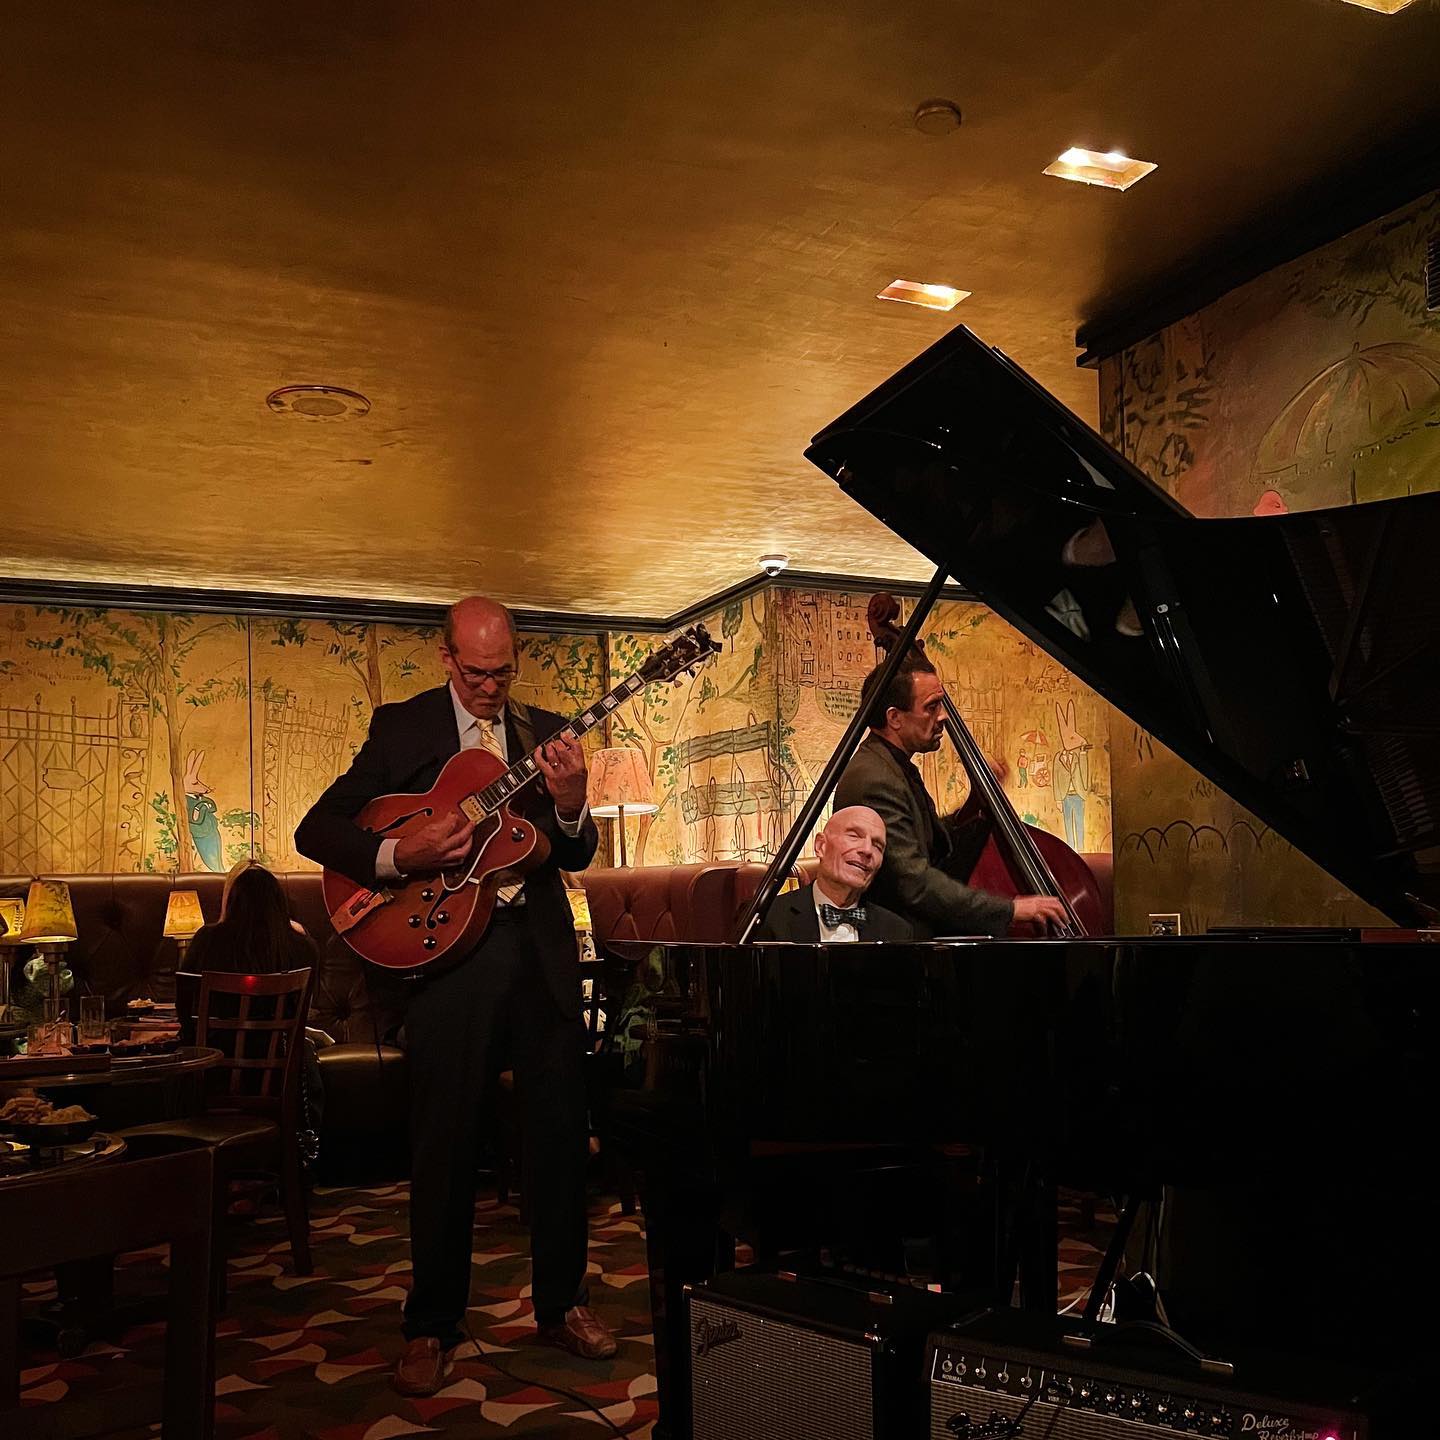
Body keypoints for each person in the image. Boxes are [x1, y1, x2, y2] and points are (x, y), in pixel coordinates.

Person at [294, 596, 613, 1398]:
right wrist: (400, 854)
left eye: (502, 672)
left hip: (539, 956)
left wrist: (571, 803)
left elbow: (574, 849)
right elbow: (316, 830)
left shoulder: (546, 733)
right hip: (444, 957)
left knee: (558, 1137)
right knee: (444, 1144)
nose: (490, 688)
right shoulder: (402, 729)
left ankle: (563, 1304)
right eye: (475, 673)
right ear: (446, 659)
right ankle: (431, 1324)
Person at [834, 657, 1068, 938]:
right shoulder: (876, 779)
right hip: (901, 943)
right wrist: (1010, 909)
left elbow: (929, 844)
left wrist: (975, 804)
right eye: (931, 707)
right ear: (894, 717)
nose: (943, 716)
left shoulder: (890, 765)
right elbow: (914, 883)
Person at [754, 805, 913, 942]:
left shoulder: (897, 932)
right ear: (821, 846)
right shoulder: (767, 918)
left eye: (877, 846)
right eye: (854, 836)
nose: (867, 850)